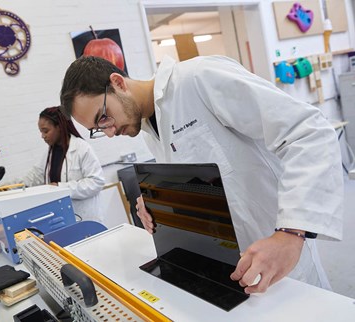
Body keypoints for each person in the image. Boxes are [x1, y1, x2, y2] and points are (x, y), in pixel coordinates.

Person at [59, 55, 344, 294]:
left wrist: (291, 234)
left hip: (277, 251)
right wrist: (157, 200)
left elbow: (309, 132)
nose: (109, 132)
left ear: (118, 83)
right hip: (234, 266)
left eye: (104, 117)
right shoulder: (149, 128)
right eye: (99, 129)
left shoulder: (199, 79)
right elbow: (206, 175)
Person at [8, 106, 105, 223]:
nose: (43, 136)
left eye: (46, 131)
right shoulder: (50, 152)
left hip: (85, 218)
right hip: (61, 217)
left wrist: (60, 188)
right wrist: (10, 187)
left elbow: (96, 182)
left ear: (59, 127)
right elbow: (36, 175)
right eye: (41, 132)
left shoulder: (81, 149)